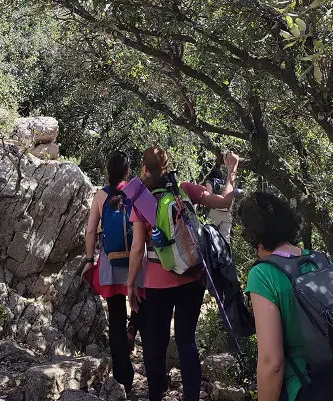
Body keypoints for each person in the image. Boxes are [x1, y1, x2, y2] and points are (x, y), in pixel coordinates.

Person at [127, 146, 240, 401]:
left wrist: (131, 285)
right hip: (192, 278)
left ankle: (155, 395)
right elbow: (225, 202)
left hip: (157, 283)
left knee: (155, 345)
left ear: (144, 169)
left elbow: (137, 249)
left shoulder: (141, 200)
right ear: (167, 167)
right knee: (186, 341)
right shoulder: (184, 189)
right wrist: (231, 170)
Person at [82, 151, 145, 398]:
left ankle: (123, 377)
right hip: (137, 264)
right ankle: (137, 334)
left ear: (107, 170)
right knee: (142, 309)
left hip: (111, 264)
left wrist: (89, 259)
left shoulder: (101, 195)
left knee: (115, 318)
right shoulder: (137, 192)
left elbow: (90, 232)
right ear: (128, 172)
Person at [238, 192, 310, 401]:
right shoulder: (320, 262)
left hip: (302, 389)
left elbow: (272, 364)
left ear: (255, 238)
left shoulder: (263, 274)